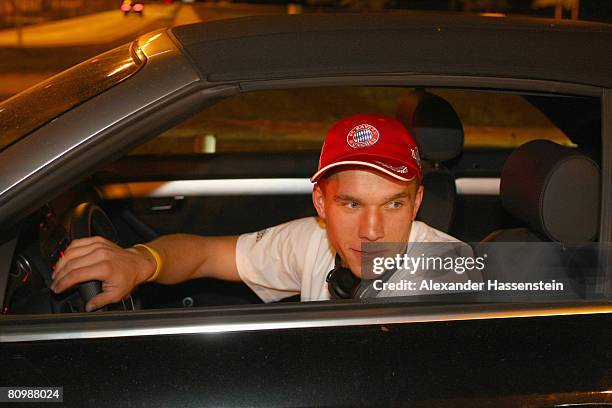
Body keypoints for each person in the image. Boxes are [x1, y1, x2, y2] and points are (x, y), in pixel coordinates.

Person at [51, 114, 475, 311]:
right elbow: (206, 254)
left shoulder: (458, 277)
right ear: (321, 205)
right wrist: (143, 261)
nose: (371, 230)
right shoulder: (313, 241)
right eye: (351, 203)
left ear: (417, 205)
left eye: (393, 204)